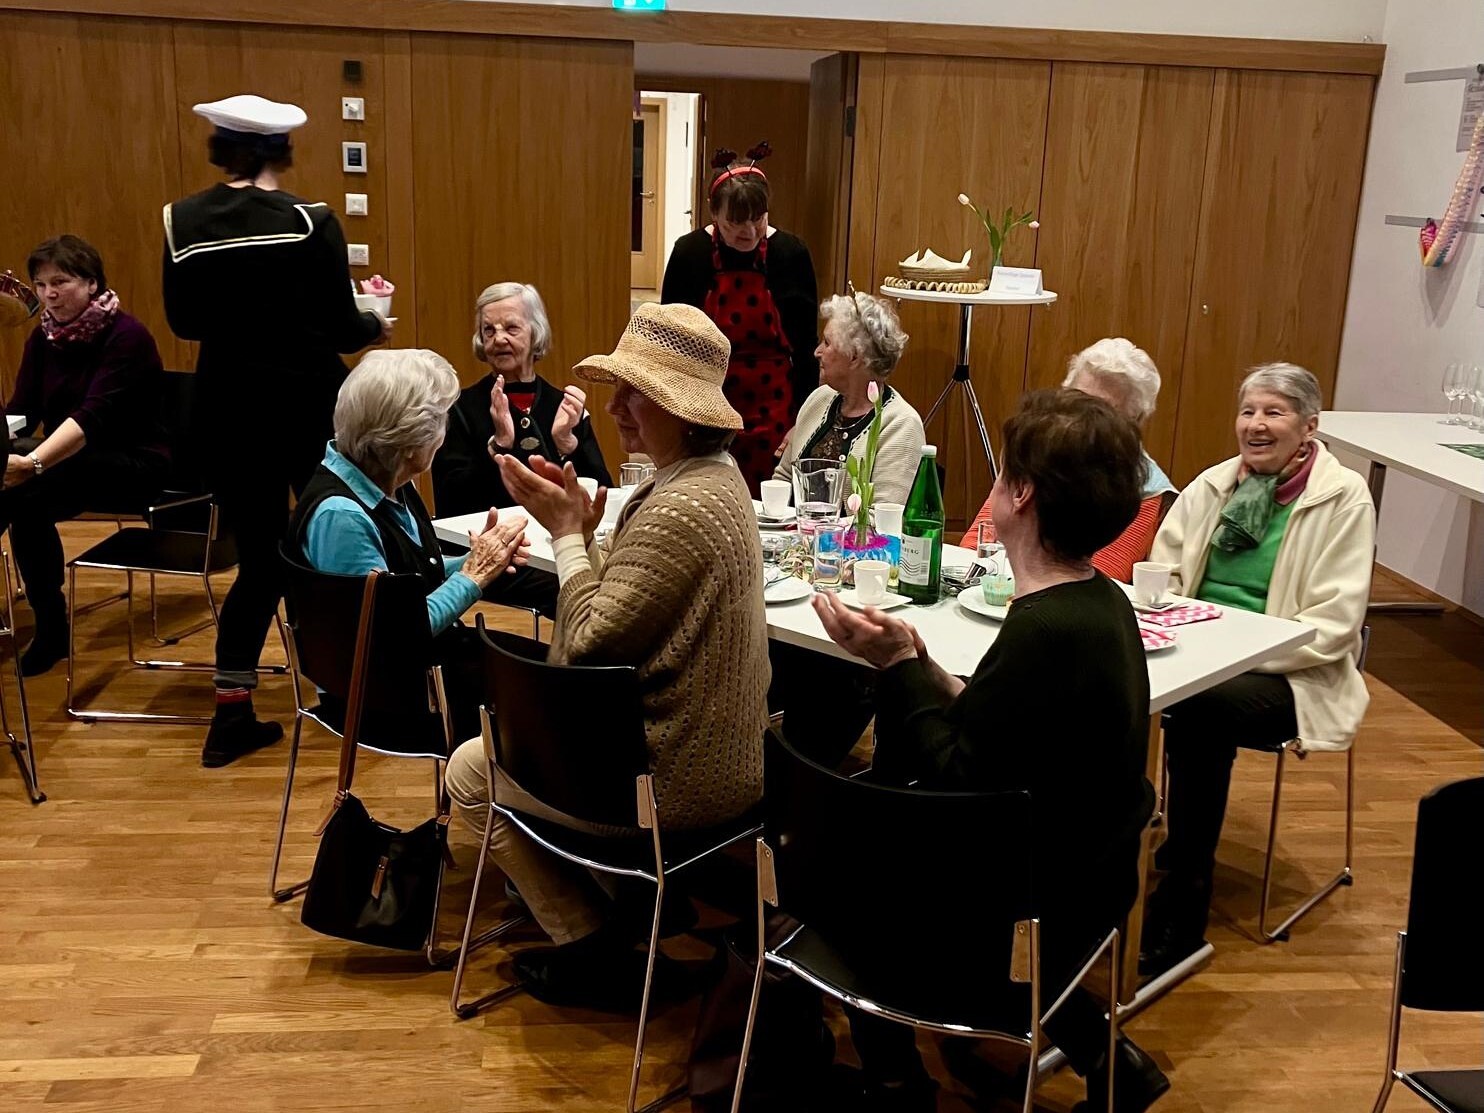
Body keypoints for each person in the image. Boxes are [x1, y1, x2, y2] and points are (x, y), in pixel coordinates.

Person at [810, 390, 1170, 1113]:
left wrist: (896, 669)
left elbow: (955, 773)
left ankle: (895, 1083)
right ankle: (1110, 1060)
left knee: (833, 869)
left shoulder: (1045, 628)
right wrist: (924, 663)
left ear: (1023, 494)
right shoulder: (1098, 601)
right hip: (1085, 876)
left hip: (1025, 897)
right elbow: (1003, 723)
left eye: (1003, 473)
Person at [444, 302, 769, 1008]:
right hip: (712, 760)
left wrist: (567, 534)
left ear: (682, 411)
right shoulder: (711, 480)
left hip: (675, 782)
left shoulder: (680, 506)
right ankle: (637, 905)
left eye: (635, 392)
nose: (615, 406)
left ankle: (596, 946)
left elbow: (588, 643)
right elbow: (622, 614)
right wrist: (585, 539)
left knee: (469, 770)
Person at [162, 94, 391, 768]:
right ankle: (350, 689)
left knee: (260, 559)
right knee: (333, 538)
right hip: (306, 408)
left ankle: (231, 712)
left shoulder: (180, 221)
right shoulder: (309, 221)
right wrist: (375, 321)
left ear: (219, 146)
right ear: (281, 149)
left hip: (226, 414)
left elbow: (184, 323)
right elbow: (343, 328)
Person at [1139, 364, 1374, 978]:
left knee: (1199, 712)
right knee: (1117, 681)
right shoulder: (1213, 484)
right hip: (1197, 649)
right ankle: (1112, 853)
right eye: (1248, 411)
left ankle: (1184, 901)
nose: (1256, 425)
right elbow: (1165, 571)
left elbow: (1335, 626)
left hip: (1292, 672)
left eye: (1274, 412)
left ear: (1309, 426)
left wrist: (1236, 651)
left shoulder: (1343, 497)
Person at [286, 349, 529, 746]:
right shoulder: (341, 517)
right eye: (440, 421)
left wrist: (480, 559)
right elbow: (395, 634)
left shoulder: (388, 480)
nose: (444, 432)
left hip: (424, 668)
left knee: (558, 670)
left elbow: (407, 582)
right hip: (390, 700)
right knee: (554, 699)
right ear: (409, 441)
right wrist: (473, 577)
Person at [2, 235, 170, 674]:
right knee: (23, 499)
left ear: (92, 283)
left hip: (135, 466)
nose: (49, 294)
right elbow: (22, 412)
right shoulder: (44, 339)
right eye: (41, 285)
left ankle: (51, 627)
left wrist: (31, 463)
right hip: (69, 465)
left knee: (24, 488)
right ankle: (49, 624)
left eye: (61, 282)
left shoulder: (127, 337)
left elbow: (90, 420)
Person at [661, 143, 818, 490]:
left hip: (775, 407)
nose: (749, 230)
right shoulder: (690, 253)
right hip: (705, 401)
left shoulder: (790, 253)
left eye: (758, 218)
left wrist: (802, 422)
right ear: (713, 213)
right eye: (735, 221)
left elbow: (807, 348)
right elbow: (669, 344)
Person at [963, 337, 1177, 580]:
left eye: (1102, 412)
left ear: (1134, 423)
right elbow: (974, 548)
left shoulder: (1145, 487)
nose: (1083, 419)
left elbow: (1101, 575)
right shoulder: (1033, 451)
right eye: (1077, 400)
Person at [431, 281, 610, 515]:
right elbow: (449, 504)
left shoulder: (566, 407)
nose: (499, 339)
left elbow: (603, 497)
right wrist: (499, 446)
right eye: (489, 330)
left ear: (536, 332)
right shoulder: (458, 409)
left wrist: (567, 446)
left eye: (511, 328)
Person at [772, 290, 922, 503]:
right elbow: (783, 479)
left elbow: (880, 515)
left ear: (854, 357)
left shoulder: (901, 424)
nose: (817, 352)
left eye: (827, 343)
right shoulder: (819, 399)